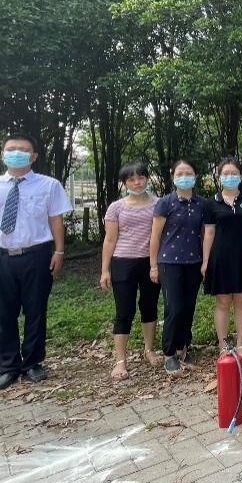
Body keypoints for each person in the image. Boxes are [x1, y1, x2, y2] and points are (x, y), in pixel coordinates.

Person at [0, 133, 72, 390]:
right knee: (3, 313)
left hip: (37, 255)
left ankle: (33, 363)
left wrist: (59, 252)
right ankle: (8, 367)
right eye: (11, 149)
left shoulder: (49, 185)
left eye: (23, 150)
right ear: (2, 154)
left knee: (36, 311)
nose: (16, 153)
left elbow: (56, 220)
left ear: (33, 156)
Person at [99, 162, 161, 380]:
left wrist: (155, 265)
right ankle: (120, 360)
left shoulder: (158, 204)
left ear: (147, 178)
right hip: (122, 262)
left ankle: (149, 350)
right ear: (125, 183)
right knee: (124, 311)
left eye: (141, 178)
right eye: (131, 179)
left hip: (150, 262)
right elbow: (109, 239)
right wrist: (105, 270)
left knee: (149, 306)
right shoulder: (116, 207)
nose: (137, 183)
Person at [150, 159, 208, 373]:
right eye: (180, 174)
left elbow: (205, 234)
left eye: (189, 173)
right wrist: (153, 265)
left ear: (196, 176)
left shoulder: (201, 204)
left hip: (194, 262)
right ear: (173, 176)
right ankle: (169, 352)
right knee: (173, 308)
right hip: (169, 262)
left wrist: (205, 261)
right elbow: (155, 237)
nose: (185, 177)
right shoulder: (165, 203)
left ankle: (183, 345)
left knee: (188, 306)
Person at [201, 157, 242, 359]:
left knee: (241, 301)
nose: (230, 177)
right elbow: (209, 233)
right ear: (219, 177)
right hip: (220, 257)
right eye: (225, 174)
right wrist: (206, 261)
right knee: (223, 302)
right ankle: (224, 345)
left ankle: (241, 344)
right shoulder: (211, 203)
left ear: (241, 176)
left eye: (234, 173)